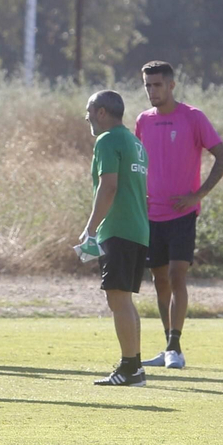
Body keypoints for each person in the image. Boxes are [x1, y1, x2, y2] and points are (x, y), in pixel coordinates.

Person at [134, 61, 223, 369]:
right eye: (147, 85)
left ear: (172, 85)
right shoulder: (143, 121)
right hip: (151, 215)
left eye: (157, 84)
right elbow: (138, 164)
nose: (152, 90)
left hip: (183, 214)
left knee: (177, 275)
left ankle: (176, 345)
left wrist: (197, 195)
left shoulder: (193, 117)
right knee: (159, 279)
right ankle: (167, 345)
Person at [82, 90, 151, 387]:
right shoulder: (135, 142)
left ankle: (129, 369)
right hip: (138, 229)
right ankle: (133, 366)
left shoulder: (107, 140)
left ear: (101, 112)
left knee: (118, 299)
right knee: (124, 300)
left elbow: (108, 187)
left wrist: (92, 228)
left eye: (89, 110)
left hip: (119, 229)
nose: (86, 116)